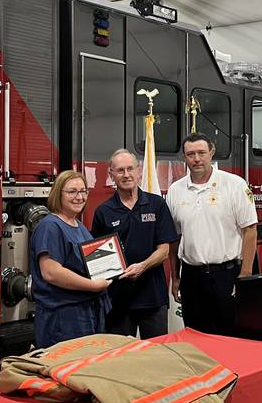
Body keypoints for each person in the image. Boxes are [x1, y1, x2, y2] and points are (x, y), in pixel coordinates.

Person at [166, 133, 258, 334]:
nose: (196, 159)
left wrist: (244, 277)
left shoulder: (235, 185)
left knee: (231, 337)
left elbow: (250, 231)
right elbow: (174, 239)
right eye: (191, 154)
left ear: (212, 153)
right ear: (184, 156)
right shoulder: (175, 190)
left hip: (227, 275)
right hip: (191, 278)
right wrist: (175, 277)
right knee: (195, 337)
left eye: (201, 153)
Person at [92, 149, 178, 338]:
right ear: (111, 175)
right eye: (120, 170)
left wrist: (142, 267)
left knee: (157, 356)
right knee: (120, 360)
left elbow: (164, 250)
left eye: (130, 169)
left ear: (139, 171)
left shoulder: (157, 205)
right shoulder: (103, 212)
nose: (126, 175)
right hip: (118, 301)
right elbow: (97, 258)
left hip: (153, 299)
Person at [30, 170, 111, 348]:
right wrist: (93, 285)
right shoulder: (50, 226)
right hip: (63, 318)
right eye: (72, 191)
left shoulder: (78, 226)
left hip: (86, 312)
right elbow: (51, 272)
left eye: (83, 191)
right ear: (58, 193)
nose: (79, 197)